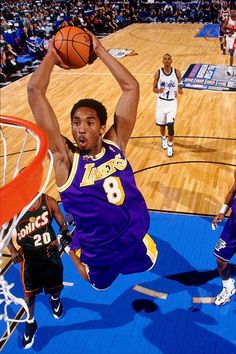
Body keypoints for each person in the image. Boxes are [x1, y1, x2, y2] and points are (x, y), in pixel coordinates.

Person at [27, 30, 158, 292]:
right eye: (76, 123)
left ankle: (78, 240)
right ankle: (72, 248)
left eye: (89, 122)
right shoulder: (65, 160)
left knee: (150, 263)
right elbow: (34, 91)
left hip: (135, 239)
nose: (81, 129)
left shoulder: (116, 143)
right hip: (100, 254)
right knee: (96, 282)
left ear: (102, 127)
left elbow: (131, 87)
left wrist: (99, 50)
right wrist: (52, 54)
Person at [7, 193, 68, 349]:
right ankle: (30, 322)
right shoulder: (14, 209)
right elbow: (4, 230)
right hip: (29, 258)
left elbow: (64, 227)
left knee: (56, 286)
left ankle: (54, 299)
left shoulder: (49, 201)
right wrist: (12, 250)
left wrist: (58, 241)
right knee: (30, 295)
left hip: (50, 255)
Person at [212, 170, 236, 306]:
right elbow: (233, 190)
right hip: (232, 228)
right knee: (220, 260)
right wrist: (222, 211)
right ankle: (228, 286)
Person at [153, 53, 183, 157]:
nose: (166, 60)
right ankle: (163, 138)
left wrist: (180, 88)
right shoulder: (158, 73)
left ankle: (170, 146)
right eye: (164, 59)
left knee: (170, 125)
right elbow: (153, 89)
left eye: (168, 59)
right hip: (161, 102)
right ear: (163, 61)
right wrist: (158, 90)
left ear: (171, 61)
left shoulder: (176, 72)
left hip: (172, 102)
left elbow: (180, 82)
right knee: (162, 125)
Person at [221, 8, 236, 77]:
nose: (233, 12)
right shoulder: (228, 20)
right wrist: (227, 33)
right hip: (230, 38)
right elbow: (222, 28)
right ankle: (230, 67)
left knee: (233, 52)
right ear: (230, 12)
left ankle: (231, 68)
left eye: (234, 11)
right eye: (232, 11)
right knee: (231, 52)